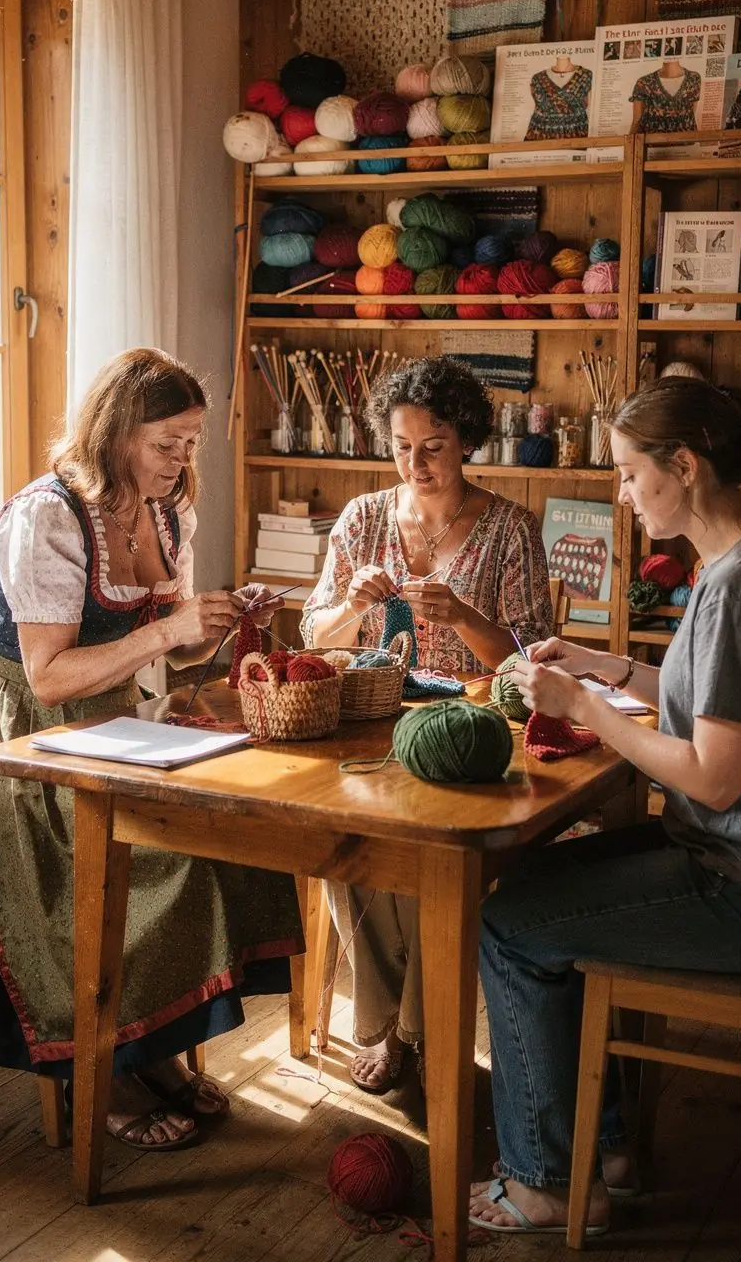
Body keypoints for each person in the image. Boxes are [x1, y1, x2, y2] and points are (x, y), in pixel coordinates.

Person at [0, 348, 304, 1152]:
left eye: (191, 442)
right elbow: (47, 678)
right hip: (24, 743)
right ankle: (104, 1067)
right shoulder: (47, 516)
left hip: (115, 725)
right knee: (140, 867)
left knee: (222, 840)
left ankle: (146, 1049)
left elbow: (170, 650)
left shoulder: (164, 512)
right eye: (166, 444)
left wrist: (210, 624)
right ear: (116, 433)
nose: (182, 460)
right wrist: (171, 629)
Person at [469, 377, 741, 1235]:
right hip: (737, 863)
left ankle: (542, 1181)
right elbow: (710, 706)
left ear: (682, 467)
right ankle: (595, 1150)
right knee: (527, 881)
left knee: (510, 926)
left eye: (628, 472)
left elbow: (714, 777)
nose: (620, 492)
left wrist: (586, 712)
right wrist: (607, 666)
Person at [302, 356, 552, 1093]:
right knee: (343, 841)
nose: (416, 463)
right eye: (402, 445)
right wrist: (352, 603)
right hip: (376, 728)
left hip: (474, 740)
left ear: (466, 439)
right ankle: (389, 1027)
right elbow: (317, 634)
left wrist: (466, 616)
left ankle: (412, 1033)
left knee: (431, 852)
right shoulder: (362, 519)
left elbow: (532, 661)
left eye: (433, 446)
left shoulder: (510, 529)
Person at [629, 62, 700, 133]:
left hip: (684, 141)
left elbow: (636, 121)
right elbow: (636, 121)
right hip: (655, 142)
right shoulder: (644, 82)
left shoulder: (694, 78)